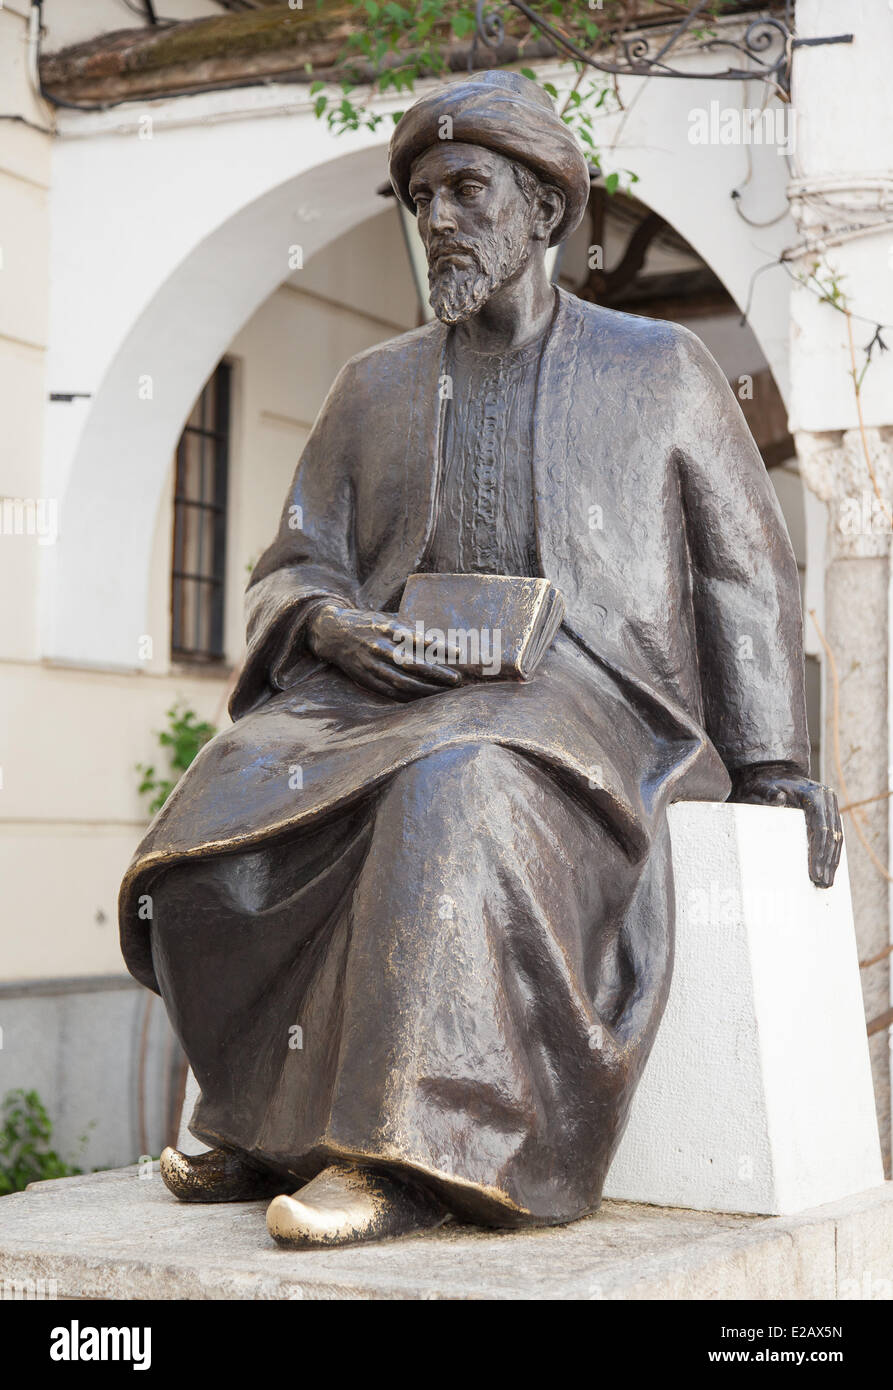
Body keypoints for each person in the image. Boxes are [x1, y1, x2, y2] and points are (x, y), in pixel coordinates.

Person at [119, 70, 842, 1250]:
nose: (439, 218)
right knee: (236, 784)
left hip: (602, 703)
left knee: (451, 781)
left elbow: (740, 571)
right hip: (392, 689)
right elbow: (292, 562)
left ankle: (404, 1149)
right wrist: (333, 623)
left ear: (545, 212)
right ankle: (261, 1116)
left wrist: (769, 760)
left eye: (465, 189)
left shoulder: (657, 369)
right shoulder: (375, 386)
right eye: (419, 198)